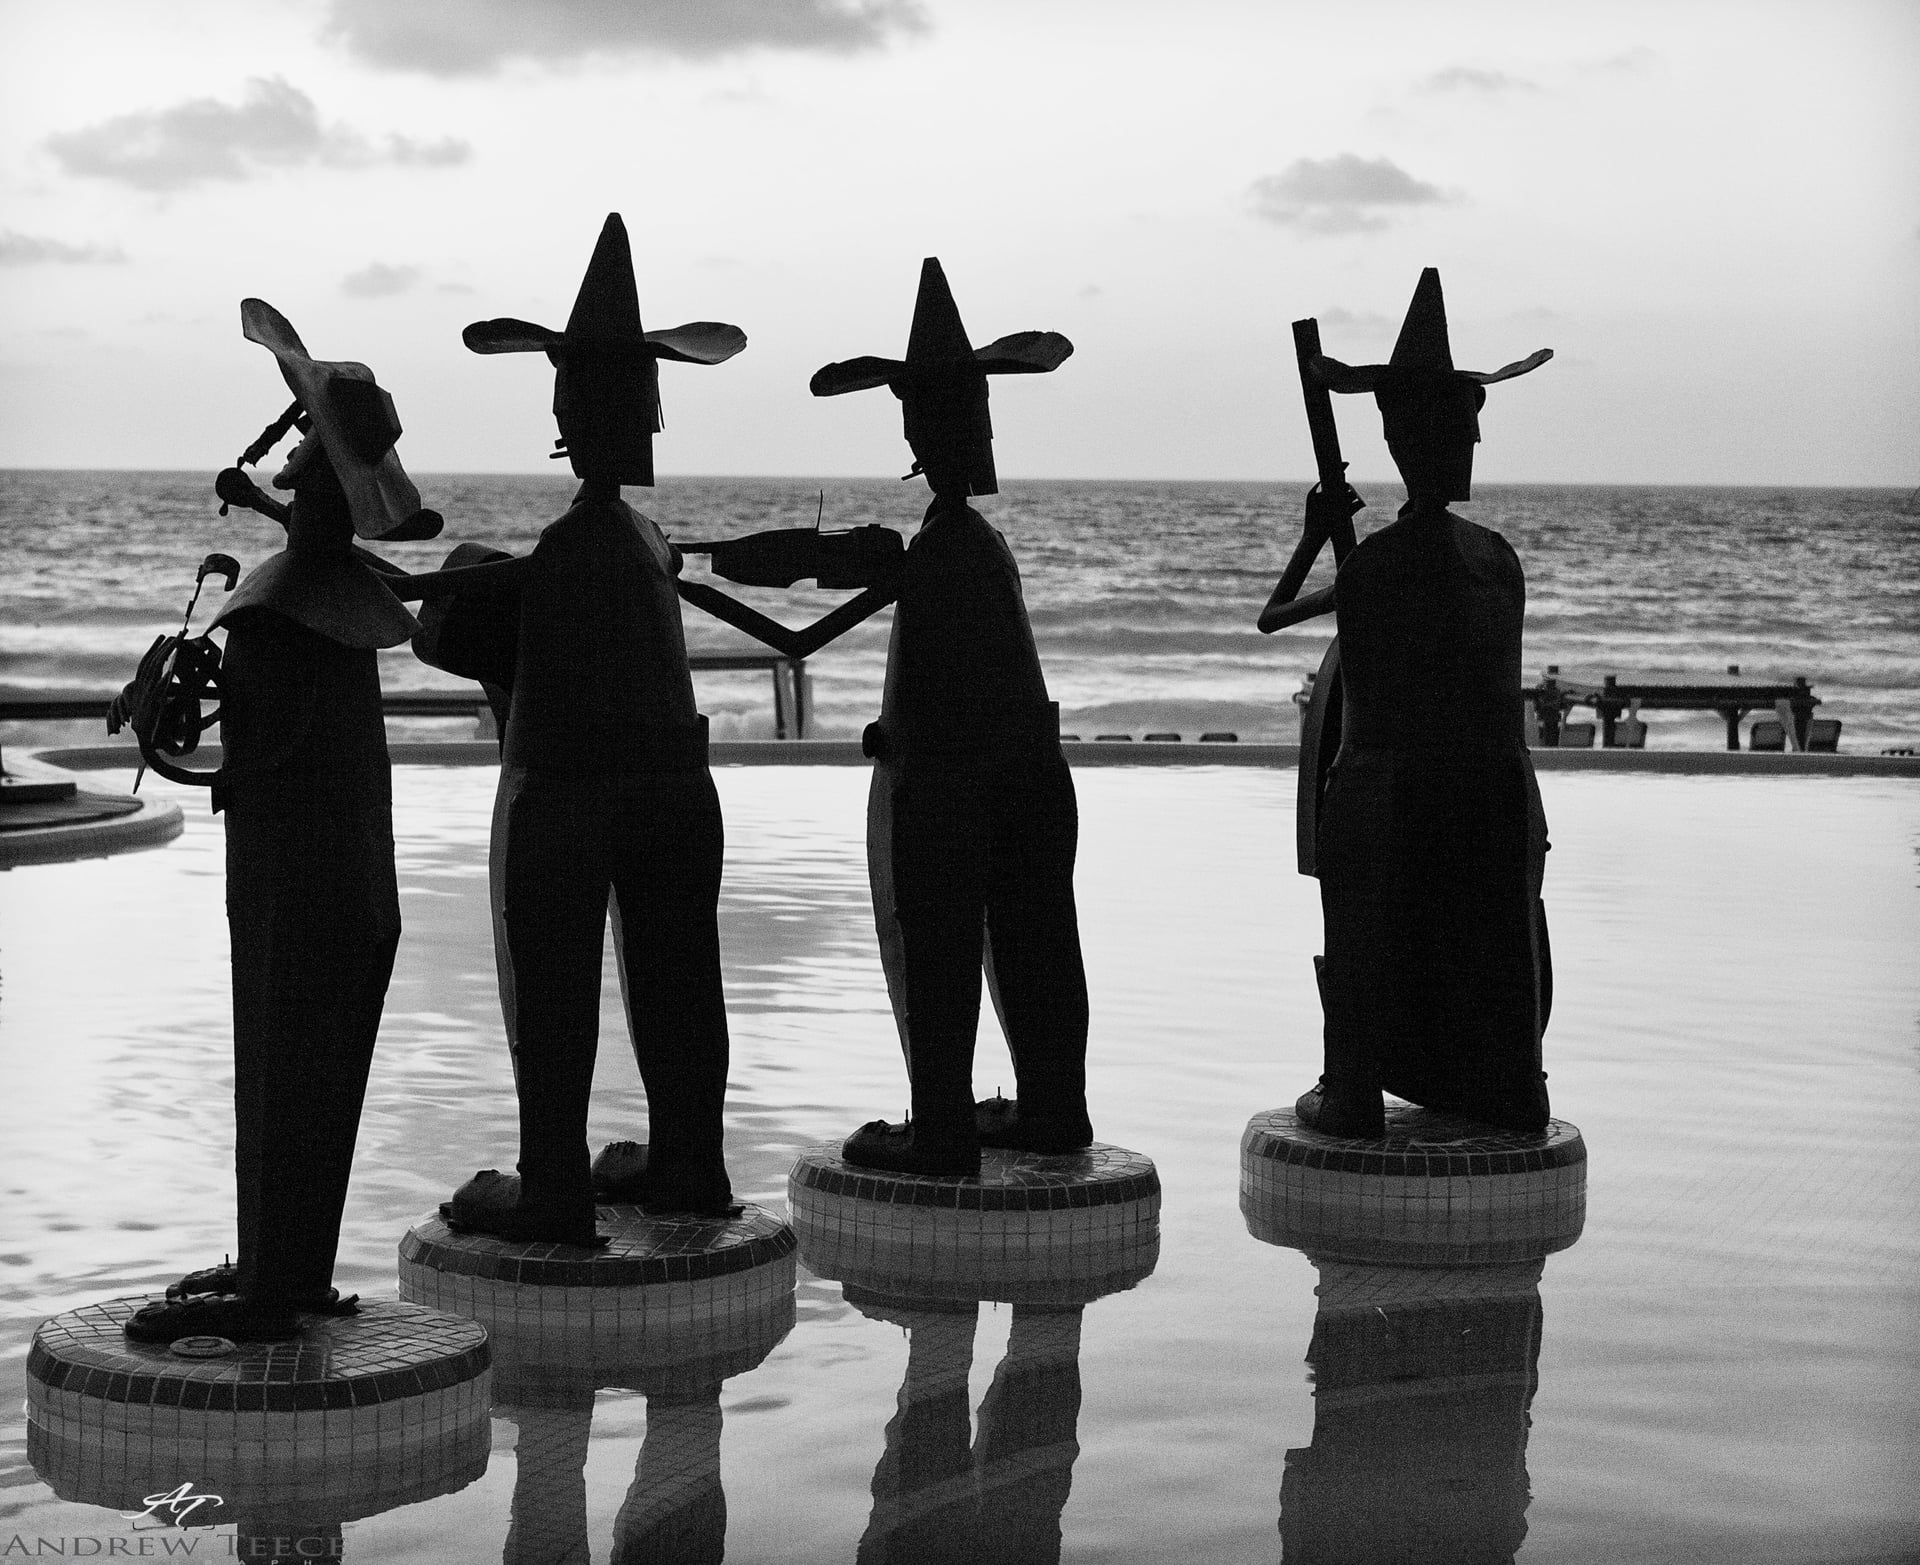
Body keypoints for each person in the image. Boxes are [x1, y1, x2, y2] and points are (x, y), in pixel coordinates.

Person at [676, 259, 1091, 1177]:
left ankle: (941, 1129)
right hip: (1031, 777)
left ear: (916, 427)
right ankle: (1055, 1105)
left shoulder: (937, 550)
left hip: (949, 789)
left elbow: (798, 638)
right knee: (1037, 942)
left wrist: (693, 583)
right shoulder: (978, 544)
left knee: (938, 945)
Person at [390, 213, 747, 1242]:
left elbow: (461, 633)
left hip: (569, 796)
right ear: (651, 410)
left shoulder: (565, 545)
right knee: (680, 978)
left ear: (563, 408)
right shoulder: (644, 542)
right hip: (678, 792)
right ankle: (689, 1160)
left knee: (550, 984)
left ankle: (553, 1184)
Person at [119, 299, 442, 1343]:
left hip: (286, 888)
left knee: (274, 1072)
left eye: (304, 462)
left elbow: (252, 762)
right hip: (359, 887)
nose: (292, 467)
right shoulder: (349, 606)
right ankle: (292, 1266)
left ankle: (267, 1289)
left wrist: (164, 716)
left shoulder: (274, 608)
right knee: (325, 1081)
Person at [1264, 269, 1556, 1137]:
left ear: (1397, 441)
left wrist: (1316, 536)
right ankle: (1512, 1077)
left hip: (1395, 807)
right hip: (1494, 800)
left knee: (1360, 816)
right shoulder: (1497, 560)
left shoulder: (1374, 568)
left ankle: (1353, 1083)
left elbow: (1276, 615)